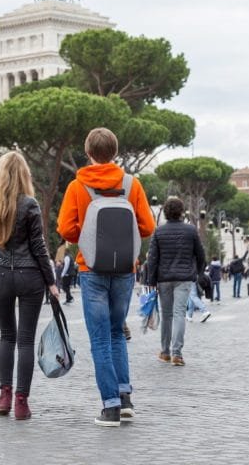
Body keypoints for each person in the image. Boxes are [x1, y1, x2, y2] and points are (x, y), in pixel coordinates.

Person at [57, 128, 155, 427]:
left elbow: (65, 229)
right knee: (116, 334)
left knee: (100, 337)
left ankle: (110, 406)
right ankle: (125, 399)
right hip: (125, 269)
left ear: (88, 153)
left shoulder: (78, 186)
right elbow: (148, 226)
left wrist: (87, 238)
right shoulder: (131, 184)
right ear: (115, 152)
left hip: (91, 270)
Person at [0, 151, 59, 421]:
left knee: (6, 336)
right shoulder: (30, 204)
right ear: (25, 175)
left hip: (1, 275)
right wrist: (51, 281)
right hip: (30, 277)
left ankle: (4, 396)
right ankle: (21, 402)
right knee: (25, 340)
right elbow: (38, 246)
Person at [146, 197, 204, 366]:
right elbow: (201, 255)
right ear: (181, 212)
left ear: (165, 212)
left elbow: (152, 259)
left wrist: (151, 280)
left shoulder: (159, 231)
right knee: (179, 314)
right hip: (184, 278)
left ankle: (165, 352)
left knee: (167, 315)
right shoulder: (191, 230)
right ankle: (177, 354)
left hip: (164, 279)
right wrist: (197, 273)